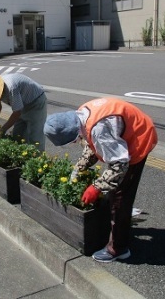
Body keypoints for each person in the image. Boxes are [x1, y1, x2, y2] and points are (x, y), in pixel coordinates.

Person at [43, 97, 158, 263]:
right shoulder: (82, 115)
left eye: (73, 140)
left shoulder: (99, 129)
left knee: (119, 195)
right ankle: (118, 220)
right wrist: (79, 168)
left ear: (74, 131)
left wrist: (96, 187)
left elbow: (119, 165)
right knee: (113, 191)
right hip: (125, 130)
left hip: (138, 137)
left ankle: (118, 249)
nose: (76, 142)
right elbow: (91, 143)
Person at [0, 73, 47, 151]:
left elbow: (17, 113)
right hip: (21, 104)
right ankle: (22, 157)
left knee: (35, 136)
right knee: (17, 135)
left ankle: (38, 158)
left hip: (35, 102)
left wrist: (2, 130)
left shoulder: (11, 87)